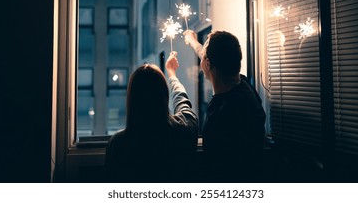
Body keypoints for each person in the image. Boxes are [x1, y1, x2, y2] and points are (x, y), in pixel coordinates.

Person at [183, 29, 266, 182]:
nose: (202, 55)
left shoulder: (222, 116)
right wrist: (193, 41)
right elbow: (207, 54)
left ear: (207, 64)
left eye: (205, 55)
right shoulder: (244, 85)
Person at [104, 54, 198, 182]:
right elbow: (182, 102)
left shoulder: (117, 144)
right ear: (163, 96)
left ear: (132, 99)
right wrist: (171, 74)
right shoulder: (184, 130)